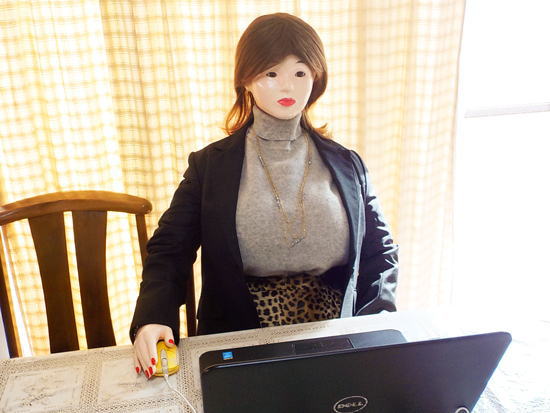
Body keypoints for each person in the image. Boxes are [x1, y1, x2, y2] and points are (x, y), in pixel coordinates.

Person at [130, 12, 398, 379]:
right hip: (240, 346)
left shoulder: (348, 164)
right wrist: (153, 317)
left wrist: (376, 322)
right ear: (246, 79)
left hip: (335, 345)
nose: (287, 86)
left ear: (316, 77)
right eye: (271, 73)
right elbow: (169, 249)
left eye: (300, 73)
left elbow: (381, 253)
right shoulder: (210, 166)